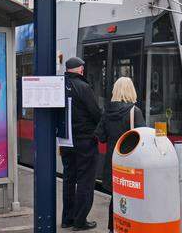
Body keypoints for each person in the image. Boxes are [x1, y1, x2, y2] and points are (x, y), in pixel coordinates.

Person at [95, 77, 145, 233]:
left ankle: (113, 228)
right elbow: (143, 140)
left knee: (115, 197)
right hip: (130, 163)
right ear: (131, 91)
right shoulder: (134, 112)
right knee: (131, 199)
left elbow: (101, 137)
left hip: (112, 162)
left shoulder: (107, 111)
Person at [61, 57, 102, 231]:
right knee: (85, 180)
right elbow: (95, 113)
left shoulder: (60, 86)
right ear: (80, 70)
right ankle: (80, 221)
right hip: (84, 141)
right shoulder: (83, 87)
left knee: (69, 178)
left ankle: (67, 218)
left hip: (65, 140)